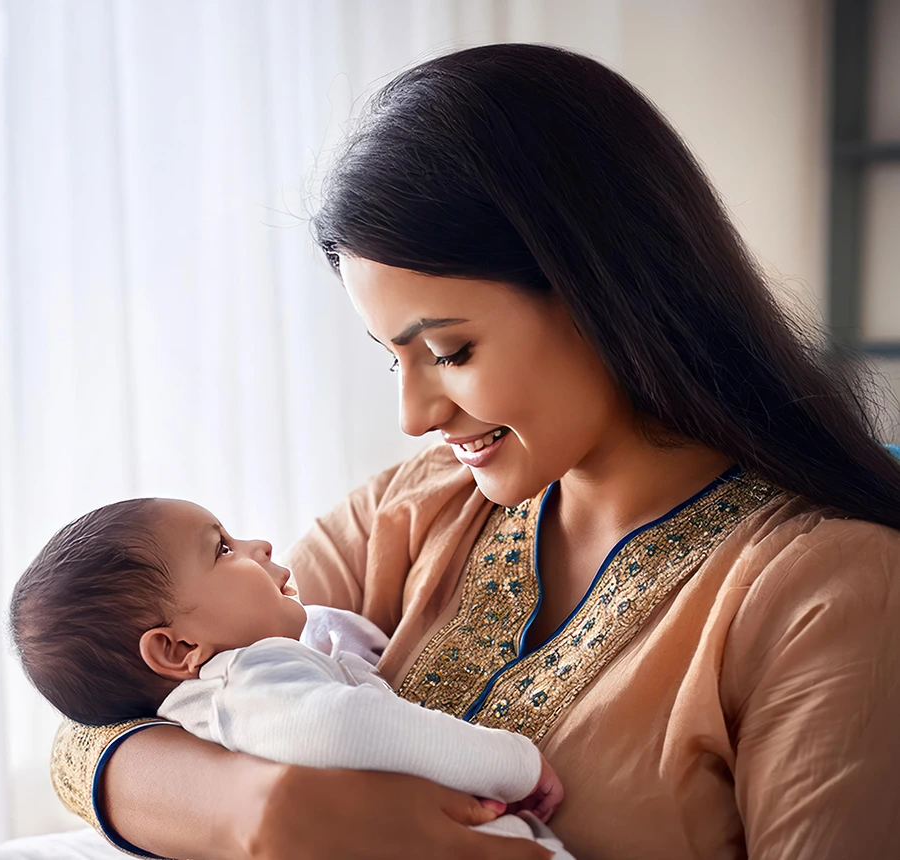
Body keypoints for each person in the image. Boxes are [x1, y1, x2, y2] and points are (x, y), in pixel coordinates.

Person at [48, 44, 900, 859]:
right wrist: (261, 814)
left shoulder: (825, 591)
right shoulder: (413, 507)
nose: (414, 416)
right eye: (394, 358)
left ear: (608, 294)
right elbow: (98, 722)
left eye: (449, 352)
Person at [10, 498, 571, 856]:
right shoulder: (248, 680)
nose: (260, 546)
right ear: (178, 648)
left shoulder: (228, 696)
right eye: (222, 549)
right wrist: (515, 764)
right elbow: (346, 725)